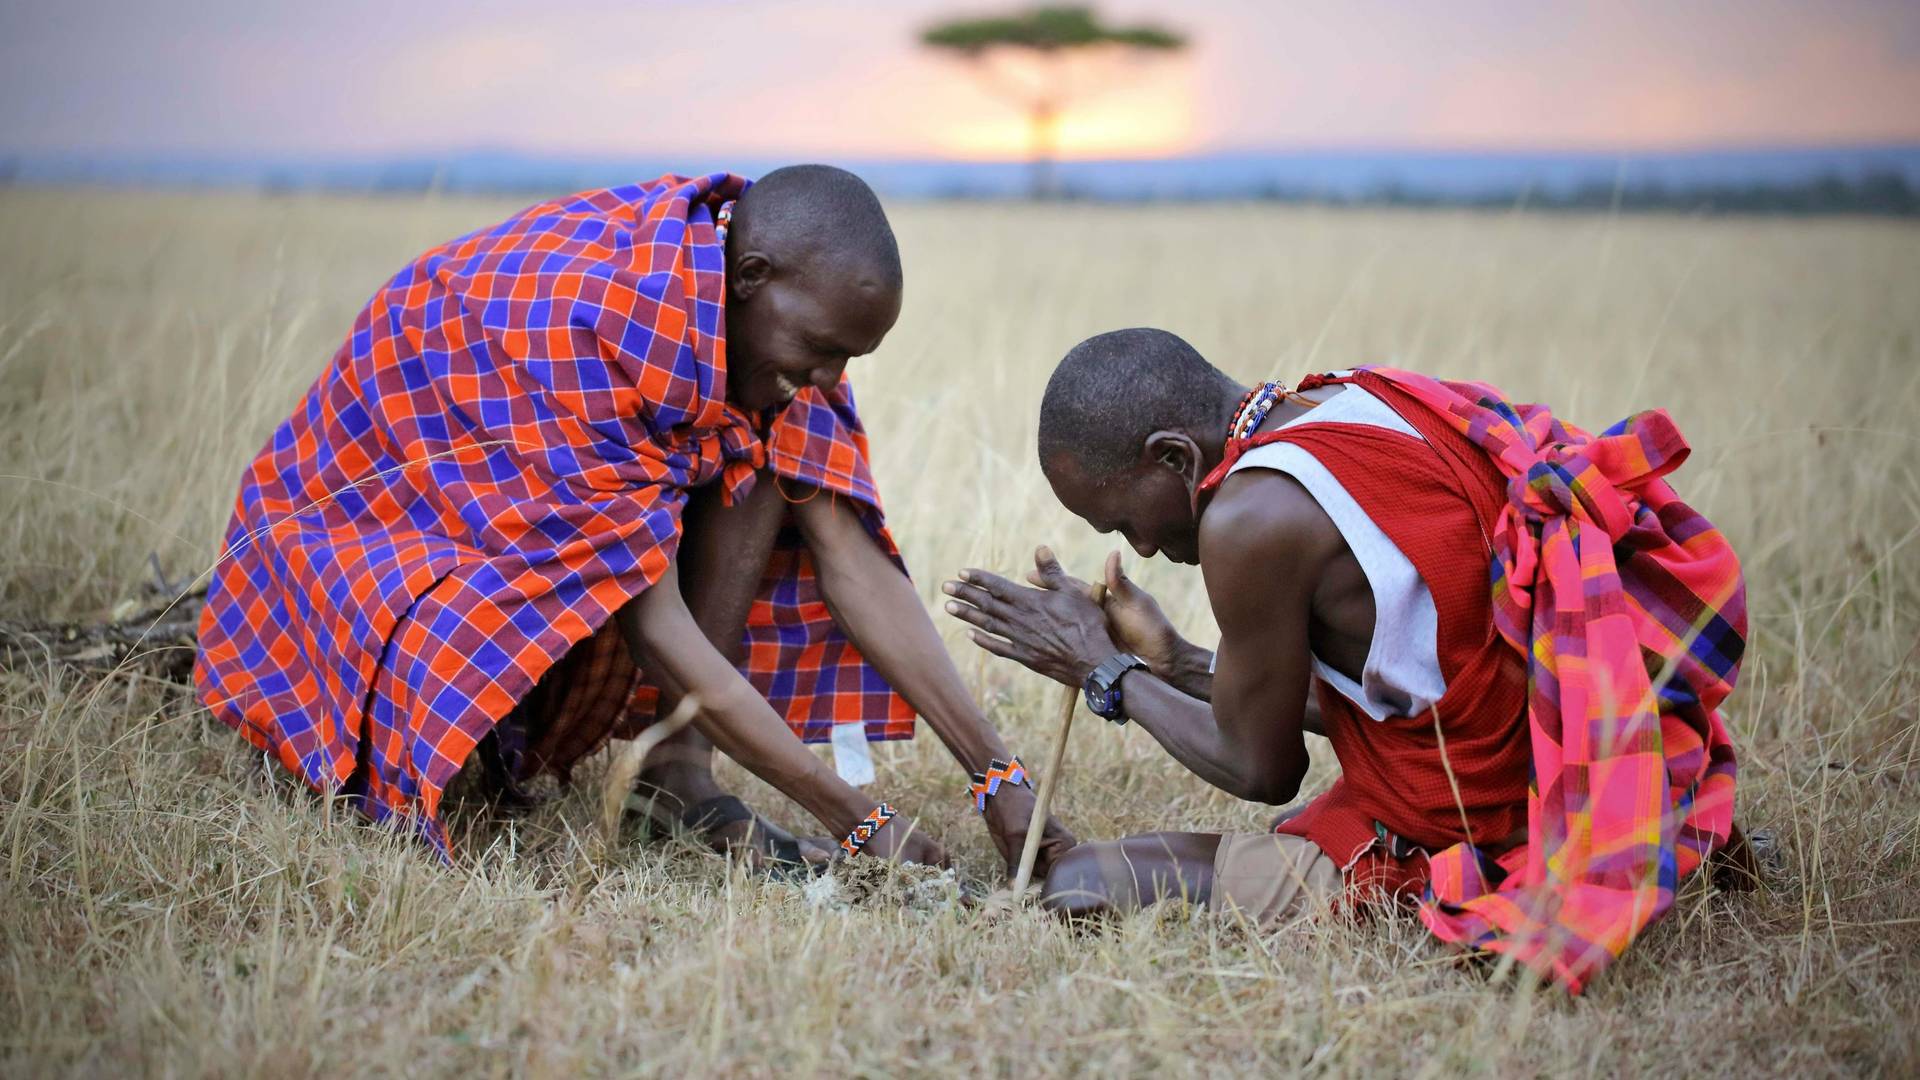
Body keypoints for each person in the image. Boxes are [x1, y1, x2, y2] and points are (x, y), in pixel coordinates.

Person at [195, 166, 1072, 873]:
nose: (832, 381)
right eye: (823, 350)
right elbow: (652, 620)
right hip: (376, 532)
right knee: (455, 694)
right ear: (752, 279)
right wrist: (849, 811)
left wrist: (1001, 781)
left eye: (852, 359)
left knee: (771, 456)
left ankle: (679, 781)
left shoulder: (754, 322)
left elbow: (851, 556)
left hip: (548, 507)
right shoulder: (586, 335)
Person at [942, 327, 1746, 991]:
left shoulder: (1249, 519)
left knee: (1083, 885)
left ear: (1175, 458)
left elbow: (1262, 771)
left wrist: (1100, 670)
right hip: (1547, 752)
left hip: (1481, 822)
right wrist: (1177, 661)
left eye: (1125, 522)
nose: (1142, 546)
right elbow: (1403, 683)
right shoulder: (1354, 395)